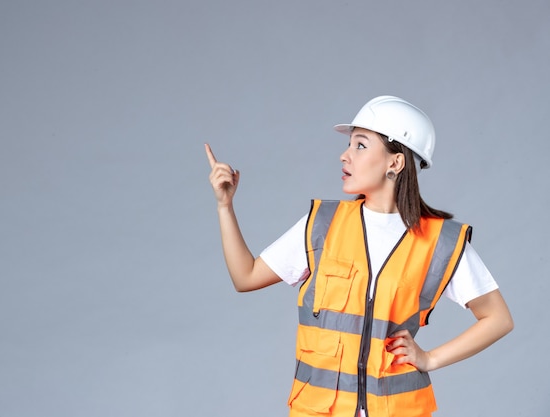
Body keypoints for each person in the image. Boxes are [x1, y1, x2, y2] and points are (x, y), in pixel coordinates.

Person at [205, 95, 513, 417]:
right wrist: (225, 206)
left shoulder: (440, 242)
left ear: (396, 162)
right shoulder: (323, 224)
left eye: (360, 146)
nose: (344, 156)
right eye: (349, 145)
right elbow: (246, 276)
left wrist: (430, 358)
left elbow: (498, 319)